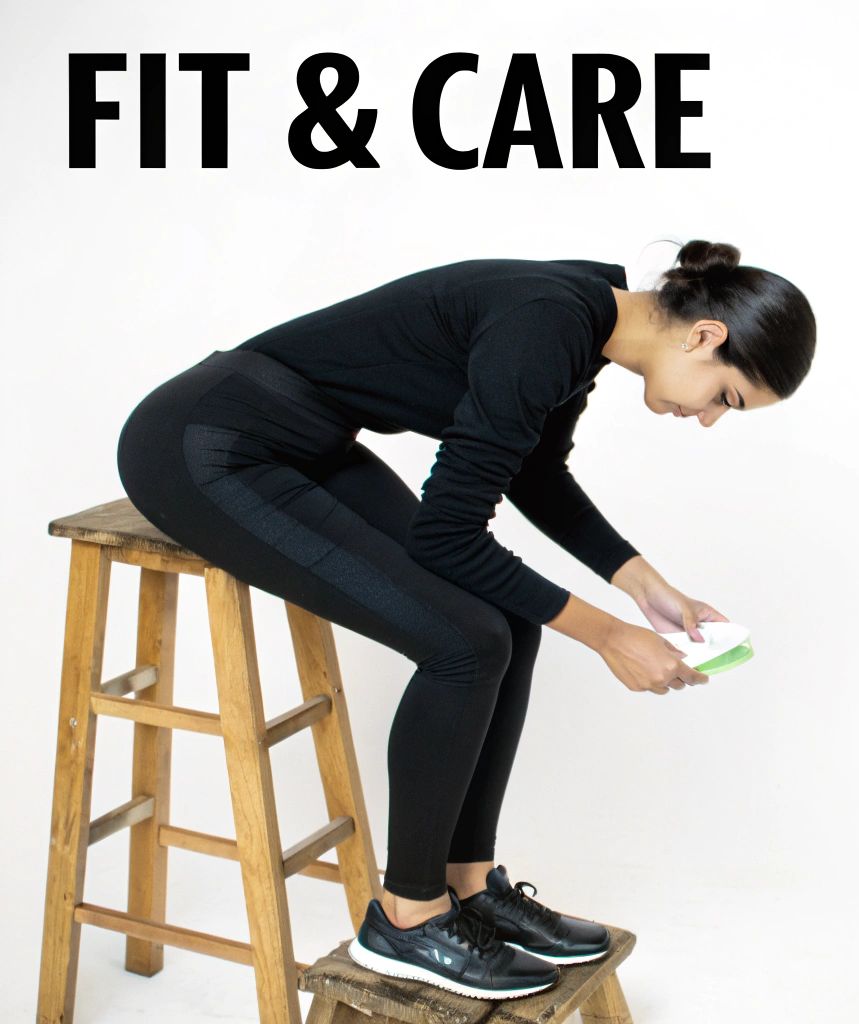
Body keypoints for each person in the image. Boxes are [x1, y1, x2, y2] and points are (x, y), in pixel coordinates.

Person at [116, 240, 815, 999]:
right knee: (465, 642)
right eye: (725, 398)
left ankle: (468, 886)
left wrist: (644, 585)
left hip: (307, 440)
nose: (708, 418)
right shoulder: (549, 322)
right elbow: (447, 535)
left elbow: (534, 472)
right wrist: (609, 636)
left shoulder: (591, 318)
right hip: (206, 443)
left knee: (509, 623)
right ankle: (406, 918)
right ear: (705, 335)